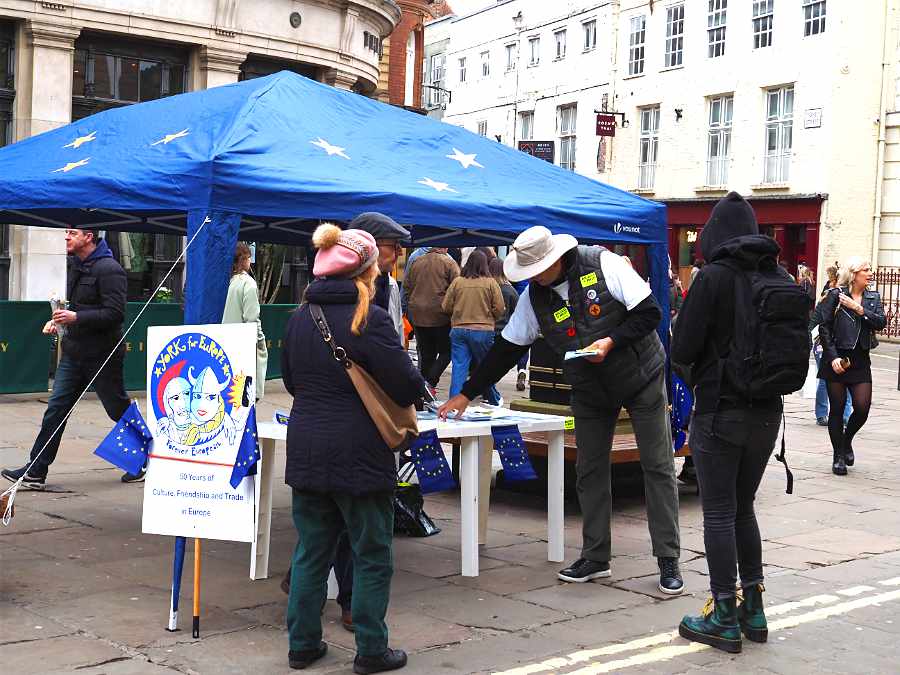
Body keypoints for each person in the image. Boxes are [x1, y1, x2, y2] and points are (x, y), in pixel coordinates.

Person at [438, 226, 683, 594]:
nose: (533, 277)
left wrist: (611, 341)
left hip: (640, 375)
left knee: (658, 465)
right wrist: (466, 393)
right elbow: (508, 348)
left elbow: (649, 313)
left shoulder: (603, 263)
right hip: (589, 387)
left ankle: (668, 559)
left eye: (537, 269)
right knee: (589, 470)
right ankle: (596, 556)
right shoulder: (533, 298)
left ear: (554, 258)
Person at [281, 224, 424, 673]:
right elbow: (404, 385)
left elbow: (289, 382)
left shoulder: (299, 317)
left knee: (311, 551)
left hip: (307, 445)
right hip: (361, 450)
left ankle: (302, 644)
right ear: (366, 269)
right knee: (371, 552)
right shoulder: (370, 318)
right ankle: (371, 649)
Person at [671, 192, 794, 653]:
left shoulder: (713, 277)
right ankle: (754, 609)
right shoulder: (778, 275)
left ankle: (723, 612)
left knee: (718, 512)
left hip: (721, 410)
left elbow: (682, 348)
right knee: (744, 509)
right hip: (768, 414)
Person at [3, 228, 132, 488]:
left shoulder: (110, 269)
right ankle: (36, 472)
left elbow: (115, 314)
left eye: (72, 233)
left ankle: (148, 456)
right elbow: (75, 307)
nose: (66, 237)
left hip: (102, 356)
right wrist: (59, 320)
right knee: (55, 410)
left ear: (89, 237)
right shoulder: (75, 265)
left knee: (117, 410)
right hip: (75, 353)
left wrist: (76, 318)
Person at [816, 257, 885, 475]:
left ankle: (847, 441)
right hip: (836, 359)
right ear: (854, 274)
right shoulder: (836, 295)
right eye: (866, 270)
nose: (870, 273)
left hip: (860, 360)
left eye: (870, 269)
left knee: (862, 408)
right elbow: (824, 327)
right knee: (836, 409)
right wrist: (832, 357)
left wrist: (859, 309)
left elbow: (881, 322)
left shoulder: (873, 298)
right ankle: (838, 456)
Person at [443, 250, 505, 406]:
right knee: (486, 367)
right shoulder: (491, 283)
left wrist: (458, 312)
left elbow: (445, 306)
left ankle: (453, 403)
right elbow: (499, 308)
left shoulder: (458, 282)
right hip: (482, 330)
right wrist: (490, 317)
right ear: (485, 265)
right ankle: (494, 399)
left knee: (459, 367)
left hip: (458, 329)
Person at [404, 247, 459, 391]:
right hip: (440, 314)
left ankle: (423, 389)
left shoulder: (416, 261)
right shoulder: (449, 263)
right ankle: (430, 382)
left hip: (417, 314)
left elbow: (407, 286)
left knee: (427, 353)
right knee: (447, 351)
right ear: (445, 247)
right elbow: (456, 288)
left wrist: (408, 307)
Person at [350, 212, 409, 340]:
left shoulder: (391, 285)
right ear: (370, 247)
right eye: (394, 246)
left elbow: (397, 333)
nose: (400, 252)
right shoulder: (342, 287)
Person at [222, 242, 268, 401]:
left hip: (228, 344)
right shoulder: (248, 283)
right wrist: (260, 341)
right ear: (243, 260)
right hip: (245, 346)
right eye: (249, 257)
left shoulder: (228, 283)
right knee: (247, 397)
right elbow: (252, 319)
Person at [811, 273, 852, 426]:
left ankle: (845, 415)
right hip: (823, 343)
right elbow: (816, 320)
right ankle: (821, 414)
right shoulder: (828, 297)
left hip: (845, 344)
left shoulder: (853, 299)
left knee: (848, 378)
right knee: (824, 379)